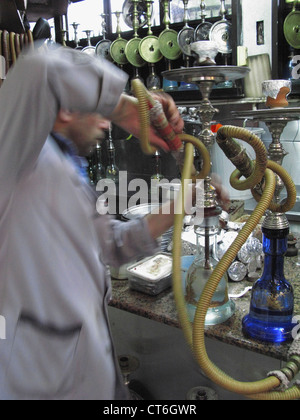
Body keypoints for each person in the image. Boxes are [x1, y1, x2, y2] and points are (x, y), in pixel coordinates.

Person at [0, 45, 229, 400]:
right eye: (98, 111)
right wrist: (126, 108)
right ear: (65, 108)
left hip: (88, 369)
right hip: (34, 379)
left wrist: (185, 201)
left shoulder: (65, 169)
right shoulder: (16, 157)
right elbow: (39, 69)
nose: (105, 123)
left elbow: (114, 245)